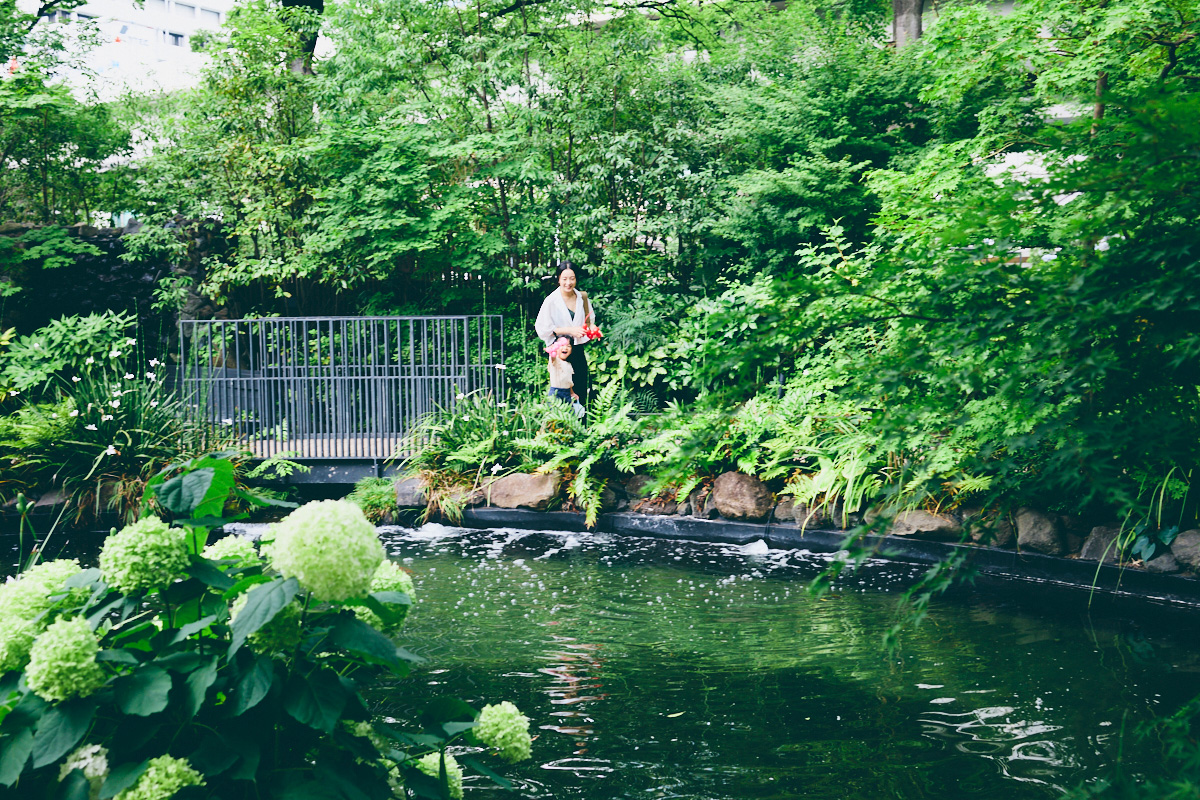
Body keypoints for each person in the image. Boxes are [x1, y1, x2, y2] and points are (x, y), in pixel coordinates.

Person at [534, 262, 596, 404]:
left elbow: (589, 321)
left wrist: (593, 329)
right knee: (561, 391)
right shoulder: (551, 300)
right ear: (558, 279)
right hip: (560, 351)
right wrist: (569, 330)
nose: (568, 283)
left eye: (572, 278)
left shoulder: (582, 297)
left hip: (577, 349)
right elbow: (542, 328)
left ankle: (582, 417)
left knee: (582, 388)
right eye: (564, 279)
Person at [546, 337, 578, 404]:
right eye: (562, 345)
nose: (565, 348)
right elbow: (553, 358)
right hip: (555, 393)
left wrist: (572, 393)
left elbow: (568, 382)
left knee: (569, 410)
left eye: (568, 346)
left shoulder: (569, 364)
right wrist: (552, 350)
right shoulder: (555, 361)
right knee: (555, 410)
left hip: (567, 393)